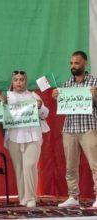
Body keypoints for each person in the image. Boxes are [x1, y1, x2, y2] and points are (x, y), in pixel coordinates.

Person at [52, 51, 97, 208]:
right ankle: (73, 196)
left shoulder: (94, 82)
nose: (73, 66)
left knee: (95, 164)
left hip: (89, 128)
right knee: (70, 166)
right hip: (70, 129)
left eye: (77, 63)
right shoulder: (66, 84)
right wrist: (57, 97)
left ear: (86, 64)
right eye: (71, 63)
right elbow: (65, 107)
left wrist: (96, 96)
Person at [3, 70, 49, 208]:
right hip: (14, 137)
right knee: (19, 169)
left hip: (32, 136)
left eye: (21, 79)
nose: (18, 82)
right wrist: (1, 105)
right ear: (12, 81)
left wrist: (40, 106)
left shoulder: (33, 95)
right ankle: (24, 198)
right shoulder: (7, 97)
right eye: (16, 79)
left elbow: (45, 114)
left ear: (26, 81)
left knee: (29, 166)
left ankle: (31, 198)